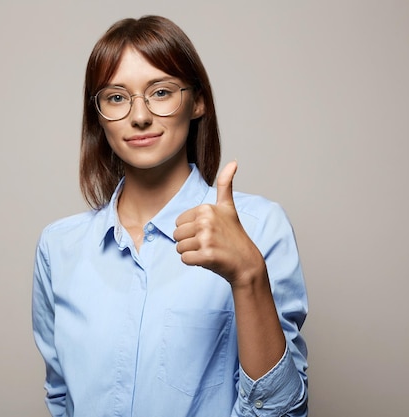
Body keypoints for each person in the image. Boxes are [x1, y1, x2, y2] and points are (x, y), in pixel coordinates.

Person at [32, 15, 308, 417]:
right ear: (97, 115)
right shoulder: (59, 247)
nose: (139, 116)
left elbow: (283, 411)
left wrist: (249, 275)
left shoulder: (261, 227)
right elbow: (61, 398)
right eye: (116, 97)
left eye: (160, 92)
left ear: (198, 102)